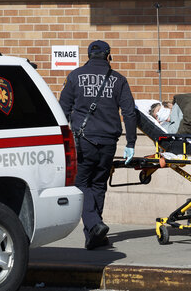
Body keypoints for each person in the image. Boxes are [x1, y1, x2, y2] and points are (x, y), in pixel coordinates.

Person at [59, 40, 137, 250]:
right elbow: (129, 112)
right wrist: (131, 142)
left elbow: (62, 110)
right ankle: (95, 236)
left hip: (83, 141)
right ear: (108, 55)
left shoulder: (75, 76)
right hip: (108, 141)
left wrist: (61, 140)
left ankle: (94, 225)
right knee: (99, 185)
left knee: (81, 184)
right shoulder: (118, 79)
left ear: (89, 55)